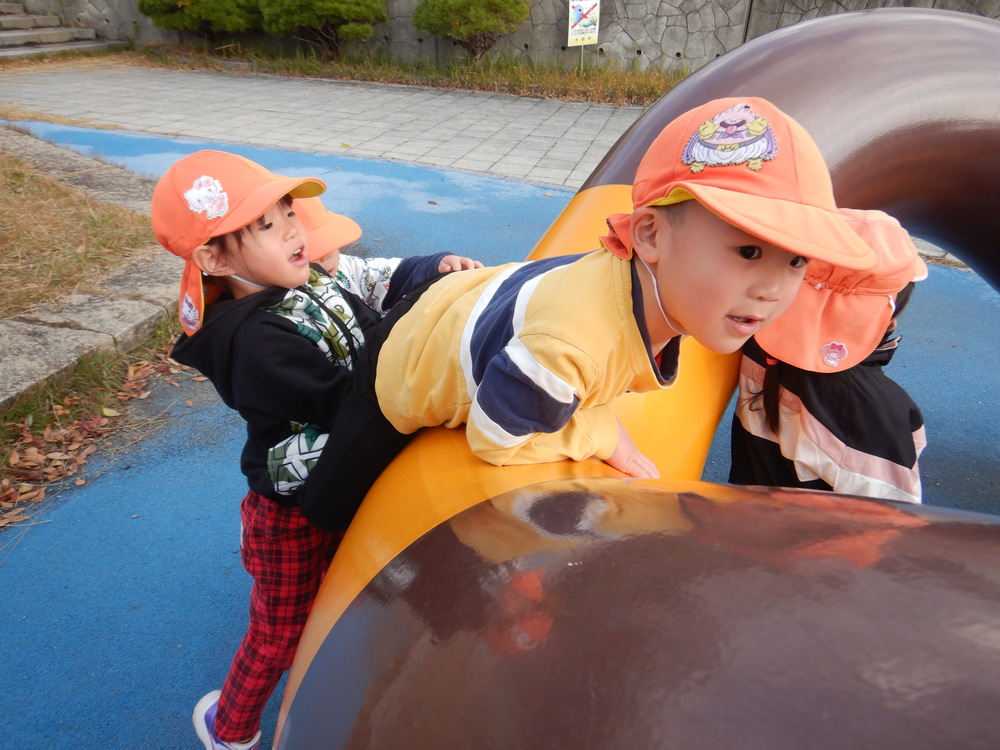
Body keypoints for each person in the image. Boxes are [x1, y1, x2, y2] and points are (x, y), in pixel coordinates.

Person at [295, 96, 881, 526]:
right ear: (649, 235)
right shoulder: (572, 344)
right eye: (748, 251)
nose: (774, 289)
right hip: (404, 356)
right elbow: (494, 439)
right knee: (332, 499)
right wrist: (603, 432)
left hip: (470, 306)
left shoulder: (642, 293)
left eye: (796, 261)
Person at [149, 150, 480, 750]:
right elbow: (348, 398)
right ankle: (229, 727)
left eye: (289, 213)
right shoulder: (252, 341)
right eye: (269, 226)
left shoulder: (304, 279)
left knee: (356, 590)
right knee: (280, 632)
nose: (296, 231)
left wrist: (428, 278)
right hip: (291, 511)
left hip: (344, 479)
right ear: (215, 257)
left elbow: (369, 305)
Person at [729, 207, 928, 503]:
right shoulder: (875, 410)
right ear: (889, 321)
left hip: (745, 517)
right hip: (811, 545)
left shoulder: (757, 342)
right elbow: (891, 521)